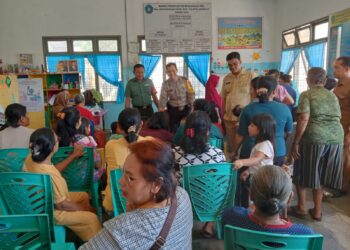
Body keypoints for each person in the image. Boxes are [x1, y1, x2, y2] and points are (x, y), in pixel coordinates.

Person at [80, 139, 193, 250]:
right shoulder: (182, 195)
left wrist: (130, 218)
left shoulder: (123, 229)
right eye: (123, 173)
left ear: (156, 184)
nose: (121, 181)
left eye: (130, 178)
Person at [26, 128, 101, 241]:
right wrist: (85, 209)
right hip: (50, 211)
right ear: (53, 148)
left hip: (38, 201)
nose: (59, 139)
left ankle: (80, 232)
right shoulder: (50, 175)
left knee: (83, 196)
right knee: (92, 218)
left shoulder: (32, 158)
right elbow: (61, 205)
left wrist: (73, 155)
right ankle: (95, 243)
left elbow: (53, 169)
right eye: (57, 140)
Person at [290, 67, 344, 221]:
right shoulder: (332, 96)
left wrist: (296, 142)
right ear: (325, 80)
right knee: (320, 174)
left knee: (302, 171)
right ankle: (317, 211)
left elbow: (303, 119)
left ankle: (301, 207)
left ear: (308, 80)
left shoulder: (307, 94)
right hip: (336, 138)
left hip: (314, 137)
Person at [232, 76, 293, 208]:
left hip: (250, 154)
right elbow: (288, 131)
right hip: (278, 153)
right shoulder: (284, 109)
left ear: (255, 90)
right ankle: (273, 215)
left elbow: (240, 135)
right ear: (274, 92)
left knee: (248, 188)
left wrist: (234, 151)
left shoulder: (248, 109)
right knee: (275, 188)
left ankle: (246, 214)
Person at [173, 110, 225, 239]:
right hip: (211, 203)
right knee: (221, 187)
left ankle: (179, 225)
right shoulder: (218, 154)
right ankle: (209, 226)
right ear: (208, 132)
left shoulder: (175, 153)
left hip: (184, 203)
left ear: (187, 130)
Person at [222, 165, 314, 235]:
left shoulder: (232, 216)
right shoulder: (305, 234)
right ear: (289, 198)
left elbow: (246, 213)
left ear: (251, 194)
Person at [103, 108, 149, 213]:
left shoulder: (110, 145)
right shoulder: (149, 143)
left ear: (118, 127)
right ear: (141, 124)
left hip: (115, 203)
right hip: (142, 202)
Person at [221, 52, 255, 153]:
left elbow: (255, 96)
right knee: (232, 146)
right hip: (229, 118)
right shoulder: (227, 78)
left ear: (240, 62)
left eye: (235, 64)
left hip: (245, 117)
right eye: (230, 65)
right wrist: (223, 113)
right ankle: (233, 162)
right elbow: (223, 97)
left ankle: (244, 164)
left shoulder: (251, 75)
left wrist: (248, 109)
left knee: (245, 145)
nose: (232, 67)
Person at [234, 113, 276, 180]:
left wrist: (242, 162)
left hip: (262, 180)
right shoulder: (261, 143)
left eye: (252, 126)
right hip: (257, 177)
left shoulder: (265, 144)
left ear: (262, 130)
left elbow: (257, 159)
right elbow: (259, 164)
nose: (248, 127)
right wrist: (248, 171)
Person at [159, 63, 195, 132]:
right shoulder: (165, 84)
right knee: (174, 129)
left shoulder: (185, 80)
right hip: (173, 109)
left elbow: (191, 93)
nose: (171, 73)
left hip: (186, 108)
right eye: (169, 71)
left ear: (177, 70)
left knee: (187, 128)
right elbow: (163, 97)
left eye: (173, 70)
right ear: (166, 73)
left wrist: (192, 105)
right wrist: (161, 108)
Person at [333, 56, 350, 196]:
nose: (334, 70)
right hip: (337, 129)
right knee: (338, 158)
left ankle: (343, 188)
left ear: (347, 69)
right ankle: (336, 183)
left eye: (337, 67)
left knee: (345, 159)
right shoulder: (338, 85)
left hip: (346, 130)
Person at [75, 117, 105, 182]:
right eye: (89, 127)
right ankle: (100, 191)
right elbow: (97, 165)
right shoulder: (89, 140)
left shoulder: (69, 140)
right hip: (87, 177)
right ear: (85, 128)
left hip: (70, 177)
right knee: (104, 169)